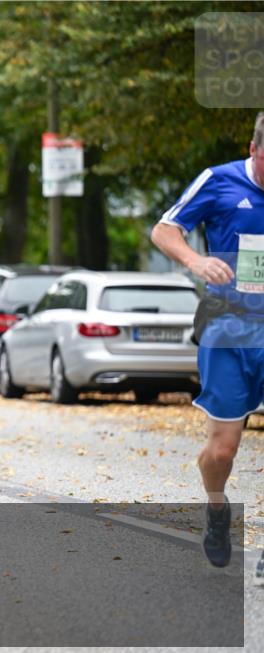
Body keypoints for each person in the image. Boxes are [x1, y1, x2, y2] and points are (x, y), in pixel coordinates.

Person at [151, 111, 264, 569]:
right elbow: (165, 230)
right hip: (229, 325)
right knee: (222, 449)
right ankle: (217, 508)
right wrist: (196, 262)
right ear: (256, 149)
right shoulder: (218, 181)